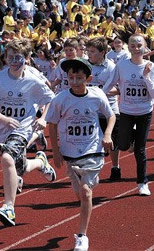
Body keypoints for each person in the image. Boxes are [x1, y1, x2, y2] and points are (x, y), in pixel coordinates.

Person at [0, 39, 56, 227]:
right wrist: (3, 118)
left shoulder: (33, 80)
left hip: (23, 128)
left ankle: (8, 207)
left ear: (27, 59)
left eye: (18, 57)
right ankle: (40, 162)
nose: (14, 61)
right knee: (18, 168)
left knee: (7, 159)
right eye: (10, 57)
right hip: (2, 130)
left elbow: (51, 100)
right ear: (5, 59)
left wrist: (43, 119)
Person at [46, 57, 115, 251]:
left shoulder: (97, 95)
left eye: (79, 78)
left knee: (85, 193)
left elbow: (111, 115)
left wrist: (107, 134)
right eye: (71, 77)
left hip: (93, 150)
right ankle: (90, 183)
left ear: (89, 78)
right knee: (80, 195)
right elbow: (52, 124)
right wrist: (56, 151)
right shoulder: (60, 99)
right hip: (70, 154)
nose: (74, 82)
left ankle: (82, 236)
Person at [103, 33, 154, 196]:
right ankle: (133, 137)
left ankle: (142, 182)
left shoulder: (151, 67)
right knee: (122, 145)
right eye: (133, 46)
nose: (136, 48)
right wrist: (99, 97)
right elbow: (110, 83)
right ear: (128, 48)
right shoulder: (122, 65)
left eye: (139, 46)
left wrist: (146, 78)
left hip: (145, 112)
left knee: (140, 149)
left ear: (145, 47)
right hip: (127, 111)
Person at [85, 37, 121, 181]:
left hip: (109, 110)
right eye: (88, 51)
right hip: (90, 110)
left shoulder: (112, 67)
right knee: (92, 141)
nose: (89, 54)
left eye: (92, 51)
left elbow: (118, 88)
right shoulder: (85, 65)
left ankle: (115, 167)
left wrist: (101, 92)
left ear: (102, 52)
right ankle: (92, 171)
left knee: (112, 142)